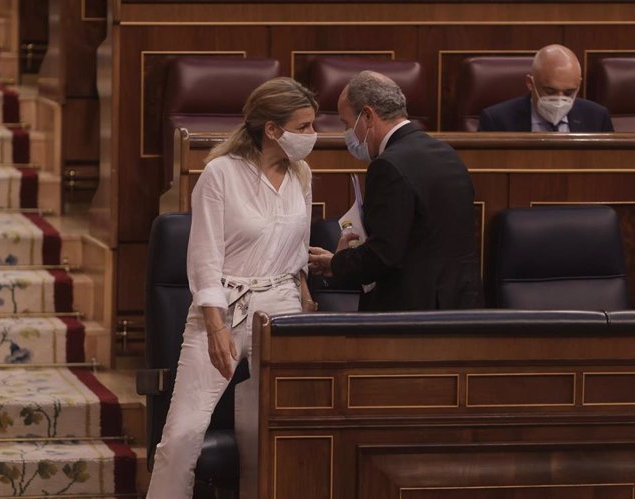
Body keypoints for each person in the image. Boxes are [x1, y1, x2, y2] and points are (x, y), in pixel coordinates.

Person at [146, 77, 319, 499]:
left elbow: (296, 252)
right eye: (304, 126)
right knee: (182, 435)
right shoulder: (220, 174)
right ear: (272, 129)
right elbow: (204, 258)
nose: (312, 136)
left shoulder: (302, 173)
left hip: (282, 308)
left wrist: (307, 301)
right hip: (225, 307)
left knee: (286, 426)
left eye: (313, 125)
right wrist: (216, 326)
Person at [308, 71, 482, 311]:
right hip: (459, 306)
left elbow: (383, 255)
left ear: (367, 115)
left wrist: (338, 263)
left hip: (411, 316)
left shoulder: (387, 165)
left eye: (347, 124)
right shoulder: (446, 153)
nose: (347, 134)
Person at [478, 44, 614, 132]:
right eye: (550, 91)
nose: (559, 100)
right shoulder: (496, 121)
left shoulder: (597, 118)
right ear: (530, 83)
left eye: (568, 92)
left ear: (579, 85)